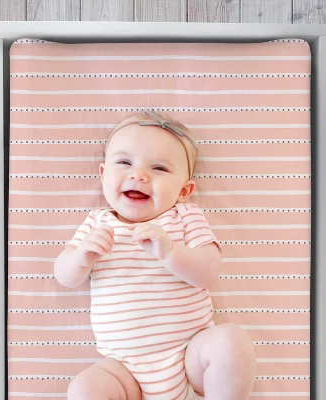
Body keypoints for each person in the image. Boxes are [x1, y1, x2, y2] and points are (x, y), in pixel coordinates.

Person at [54, 111, 256, 400]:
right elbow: (64, 276)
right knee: (84, 389)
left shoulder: (184, 216)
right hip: (124, 371)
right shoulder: (97, 223)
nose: (139, 175)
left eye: (159, 168)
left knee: (231, 342)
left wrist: (171, 252)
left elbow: (208, 271)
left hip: (190, 356)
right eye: (124, 163)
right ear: (103, 174)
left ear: (184, 190)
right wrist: (81, 258)